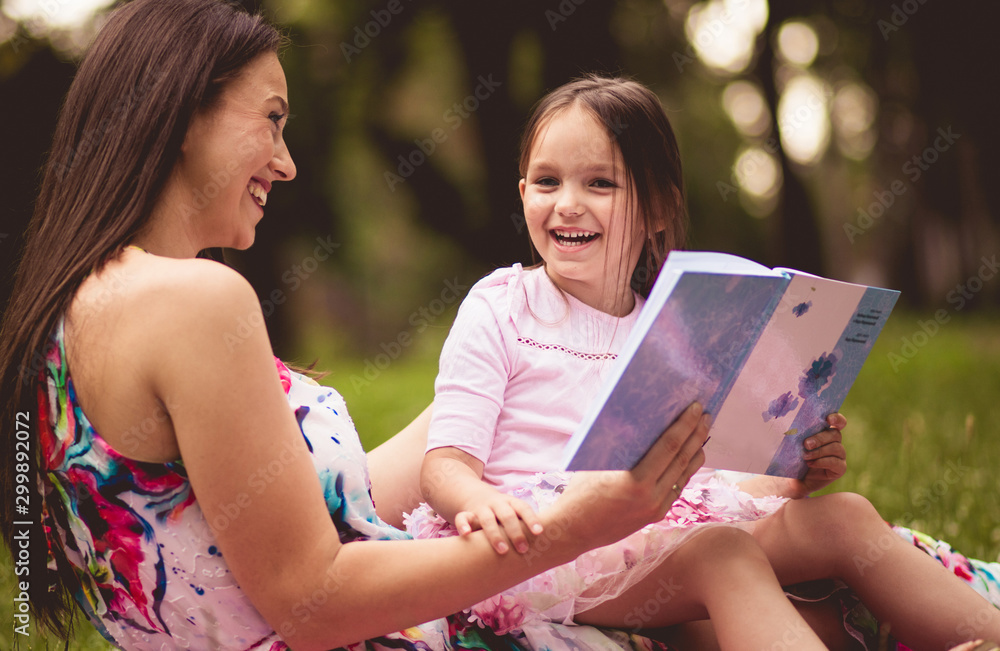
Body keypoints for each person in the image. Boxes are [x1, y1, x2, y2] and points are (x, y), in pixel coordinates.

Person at [0, 2, 708, 650]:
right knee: (740, 589)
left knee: (743, 574)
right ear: (186, 114)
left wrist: (521, 369)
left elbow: (283, 522)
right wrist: (573, 527)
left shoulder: (70, 313)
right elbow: (311, 603)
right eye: (272, 119)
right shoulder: (195, 300)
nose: (286, 161)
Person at [411, 75, 1000, 650]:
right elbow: (443, 468)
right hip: (549, 546)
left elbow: (704, 479)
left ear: (660, 208)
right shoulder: (503, 306)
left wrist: (794, 471)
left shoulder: (675, 324)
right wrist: (483, 504)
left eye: (599, 184)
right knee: (723, 552)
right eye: (547, 181)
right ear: (522, 195)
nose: (567, 204)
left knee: (845, 517)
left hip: (659, 535)